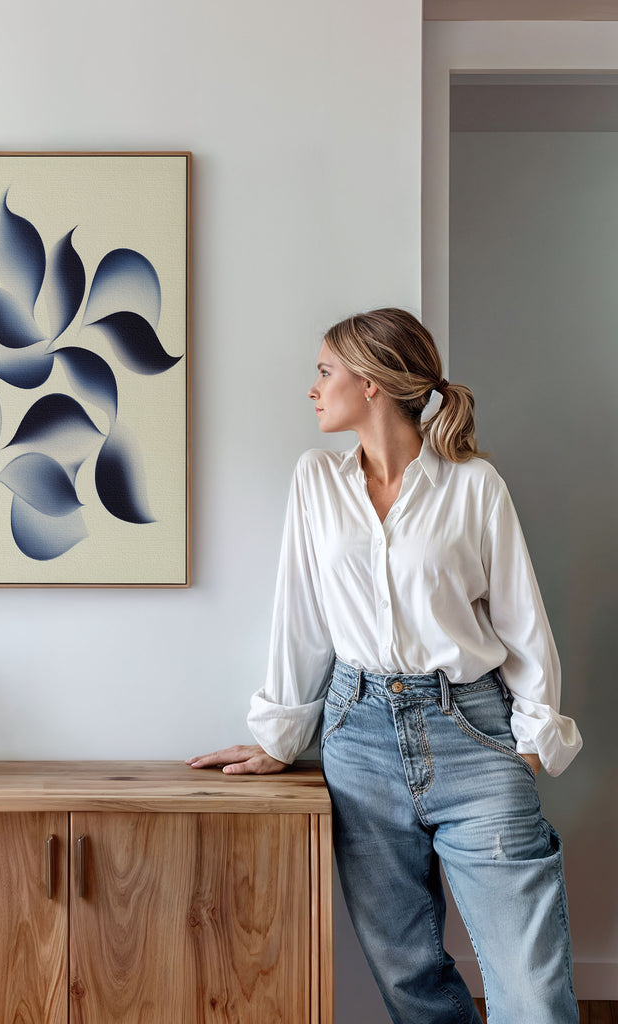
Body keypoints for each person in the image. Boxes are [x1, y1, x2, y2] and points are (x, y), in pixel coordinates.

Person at [188, 308, 582, 1024]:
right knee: (409, 979)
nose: (313, 388)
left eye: (324, 371)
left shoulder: (474, 486)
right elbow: (299, 617)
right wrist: (281, 737)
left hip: (473, 729)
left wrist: (529, 741)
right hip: (357, 735)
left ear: (371, 384)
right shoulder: (316, 482)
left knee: (531, 989)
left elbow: (523, 622)